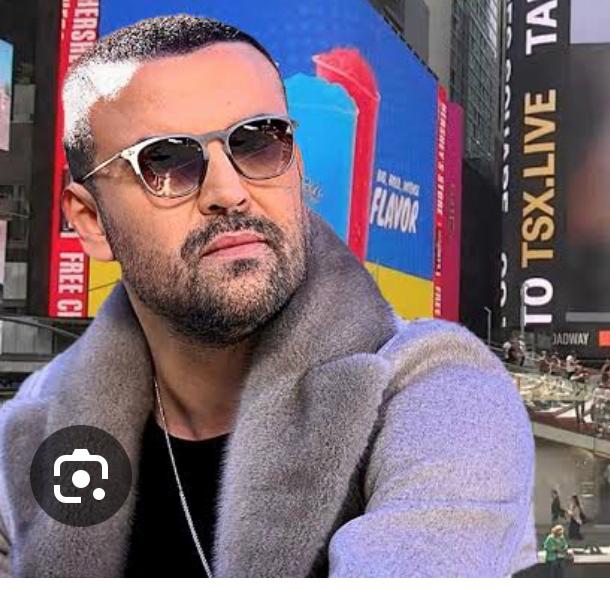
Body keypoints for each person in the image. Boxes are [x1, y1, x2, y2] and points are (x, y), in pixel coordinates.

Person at [0, 15, 534, 578]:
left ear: (295, 166)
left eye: (258, 143)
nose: (229, 192)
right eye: (166, 162)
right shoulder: (31, 431)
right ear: (91, 221)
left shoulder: (439, 391)